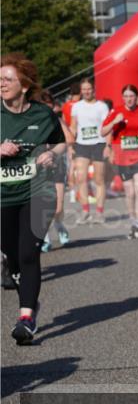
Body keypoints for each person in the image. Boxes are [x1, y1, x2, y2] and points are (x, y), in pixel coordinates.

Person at [1, 54, 67, 344]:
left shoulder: (42, 114)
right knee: (12, 255)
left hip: (37, 192)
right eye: (0, 78)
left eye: (8, 79)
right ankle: (28, 298)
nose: (1, 83)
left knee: (28, 252)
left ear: (24, 86)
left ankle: (26, 317)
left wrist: (52, 153)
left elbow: (63, 141)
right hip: (3, 196)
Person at [102, 85, 138, 240]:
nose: (129, 99)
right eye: (126, 96)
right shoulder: (116, 111)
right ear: (122, 97)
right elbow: (102, 131)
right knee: (129, 192)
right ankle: (133, 222)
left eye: (132, 96)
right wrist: (114, 123)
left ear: (136, 97)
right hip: (122, 157)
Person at [69, 78, 109, 224]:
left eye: (89, 88)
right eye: (84, 89)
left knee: (99, 179)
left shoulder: (102, 106)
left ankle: (99, 212)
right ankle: (85, 211)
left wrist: (108, 146)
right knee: (81, 178)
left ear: (94, 89)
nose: (86, 91)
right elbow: (73, 126)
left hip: (98, 143)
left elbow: (107, 127)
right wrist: (70, 143)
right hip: (81, 144)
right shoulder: (76, 106)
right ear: (81, 91)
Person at [38, 90, 72, 252]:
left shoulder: (57, 121)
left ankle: (59, 225)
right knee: (40, 206)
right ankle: (44, 238)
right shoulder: (32, 122)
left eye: (50, 108)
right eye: (44, 108)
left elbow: (70, 139)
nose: (47, 112)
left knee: (57, 208)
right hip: (38, 170)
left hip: (57, 166)